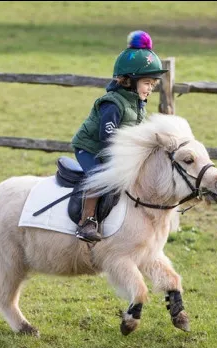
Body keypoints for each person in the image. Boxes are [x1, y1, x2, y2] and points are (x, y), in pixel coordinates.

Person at [71, 30, 168, 243]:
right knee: (100, 177)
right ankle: (86, 222)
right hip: (90, 148)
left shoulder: (138, 105)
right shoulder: (112, 103)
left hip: (111, 149)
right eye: (147, 83)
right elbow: (107, 138)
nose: (150, 89)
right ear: (129, 81)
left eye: (153, 85)